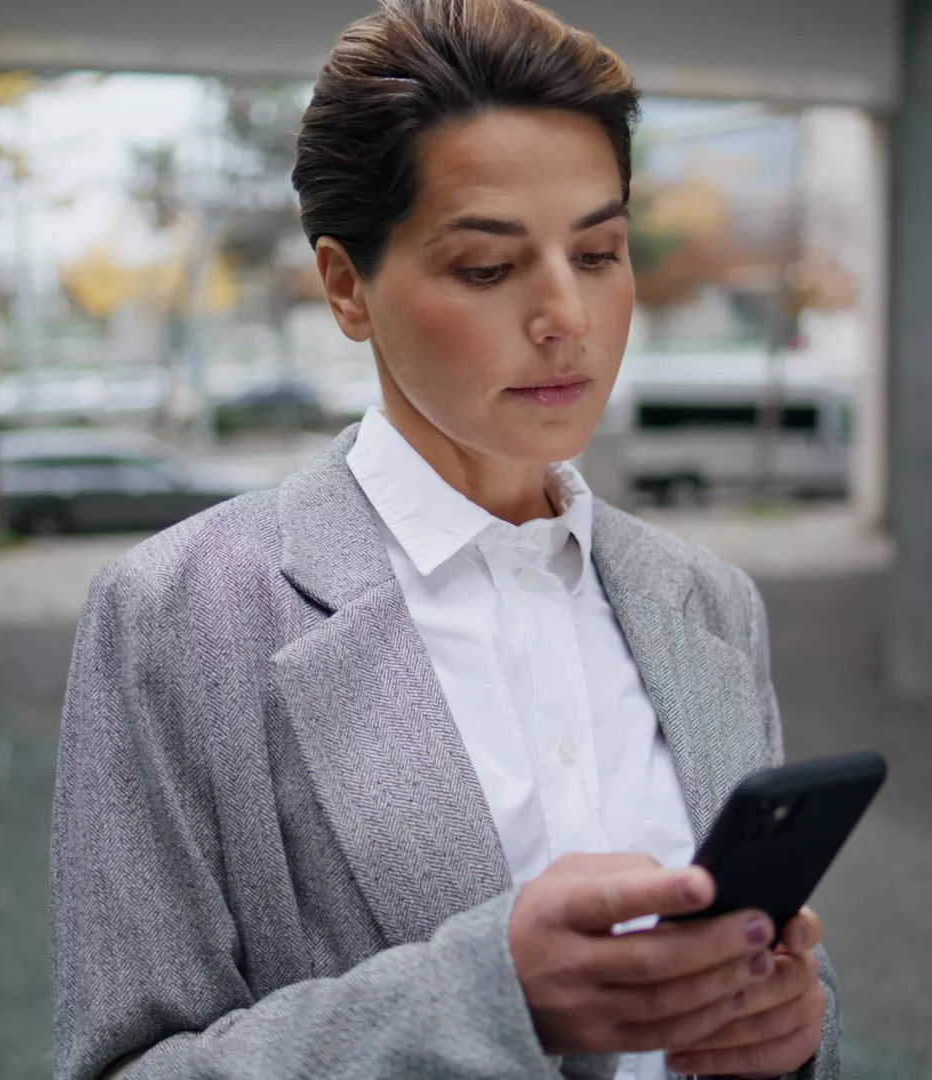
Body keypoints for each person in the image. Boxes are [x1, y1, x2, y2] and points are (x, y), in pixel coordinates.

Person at [50, 1, 840, 1078]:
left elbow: (771, 983)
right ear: (345, 287)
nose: (566, 313)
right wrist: (482, 1002)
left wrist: (791, 1035)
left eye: (599, 252)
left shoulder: (704, 600)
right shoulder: (180, 614)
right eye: (486, 267)